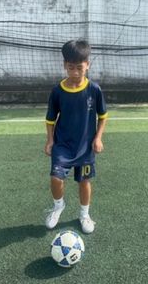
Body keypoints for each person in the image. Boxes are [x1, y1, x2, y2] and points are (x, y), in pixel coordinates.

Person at [44, 39, 108, 234]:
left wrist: (98, 138)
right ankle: (58, 206)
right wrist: (50, 140)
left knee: (84, 182)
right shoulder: (57, 91)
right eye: (70, 67)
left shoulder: (94, 90)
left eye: (79, 68)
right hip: (63, 145)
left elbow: (103, 116)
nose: (74, 72)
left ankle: (84, 214)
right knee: (56, 178)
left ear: (87, 65)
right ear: (65, 65)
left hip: (85, 146)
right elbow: (50, 119)